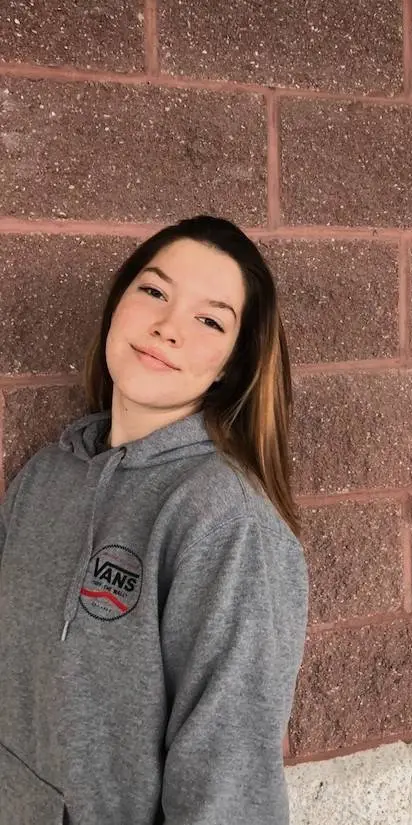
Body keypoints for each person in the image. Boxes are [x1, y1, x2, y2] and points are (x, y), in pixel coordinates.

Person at [0, 215, 308, 825]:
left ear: (231, 364)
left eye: (210, 320)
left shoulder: (225, 521)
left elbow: (226, 789)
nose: (168, 327)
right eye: (154, 291)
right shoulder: (45, 477)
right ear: (118, 305)